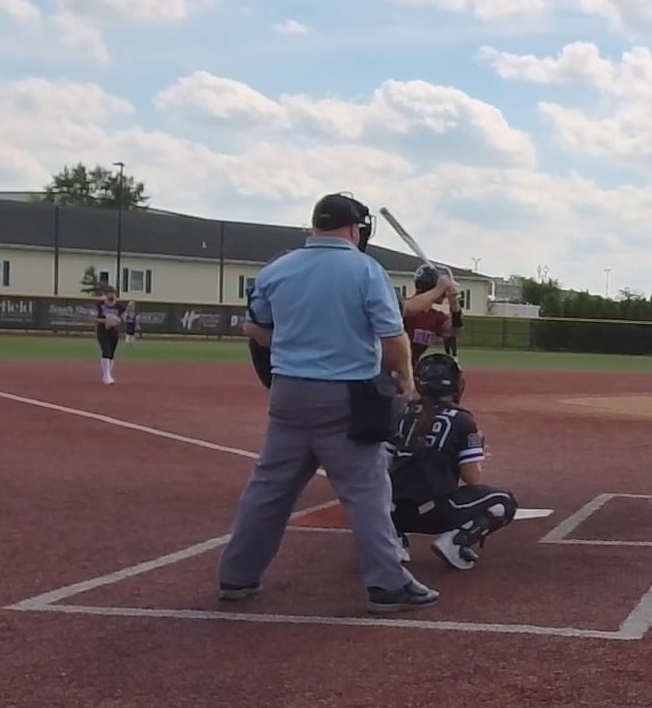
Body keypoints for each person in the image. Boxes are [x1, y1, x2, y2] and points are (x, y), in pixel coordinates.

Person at [215, 192, 440, 615]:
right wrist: (407, 382)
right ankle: (388, 583)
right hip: (347, 394)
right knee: (368, 490)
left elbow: (255, 328)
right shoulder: (365, 270)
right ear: (355, 229)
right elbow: (393, 336)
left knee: (269, 488)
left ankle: (236, 574)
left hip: (288, 392)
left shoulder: (277, 268)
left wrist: (296, 345)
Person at [389, 352, 519, 569]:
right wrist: (478, 461)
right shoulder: (462, 419)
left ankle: (394, 539)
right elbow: (472, 478)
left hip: (390, 510)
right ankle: (456, 542)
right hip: (435, 512)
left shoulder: (401, 413)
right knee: (504, 501)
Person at [402, 265, 460, 365]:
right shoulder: (405, 307)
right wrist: (439, 289)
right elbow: (407, 309)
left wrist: (454, 302)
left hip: (409, 368)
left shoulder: (434, 316)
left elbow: (455, 331)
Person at [90, 284, 123, 385]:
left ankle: (108, 374)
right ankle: (106, 376)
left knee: (111, 354)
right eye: (109, 293)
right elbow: (93, 318)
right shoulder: (99, 305)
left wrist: (116, 321)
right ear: (105, 294)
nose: (111, 295)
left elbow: (122, 319)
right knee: (106, 351)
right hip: (102, 330)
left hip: (114, 331)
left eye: (112, 293)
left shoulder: (119, 306)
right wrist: (106, 320)